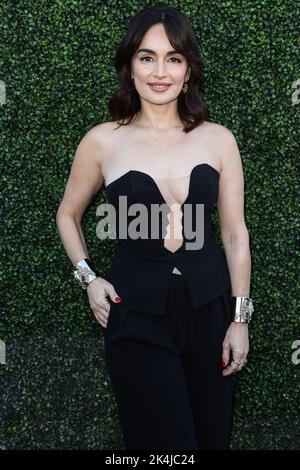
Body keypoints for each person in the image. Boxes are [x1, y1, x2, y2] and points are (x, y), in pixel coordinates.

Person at [56, 4, 254, 450]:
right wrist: (89, 278)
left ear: (188, 70)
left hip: (211, 312)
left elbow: (234, 233)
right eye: (147, 58)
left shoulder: (219, 139)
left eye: (173, 58)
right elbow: (67, 214)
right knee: (166, 446)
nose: (159, 71)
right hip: (136, 315)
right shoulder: (103, 141)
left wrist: (239, 319)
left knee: (210, 440)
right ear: (130, 67)